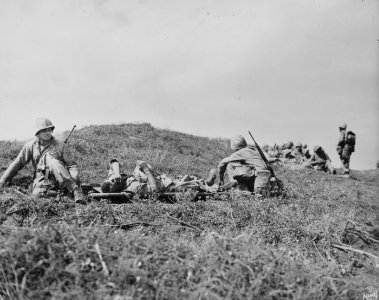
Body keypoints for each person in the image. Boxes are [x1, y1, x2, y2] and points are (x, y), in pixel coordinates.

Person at [0, 117, 86, 203]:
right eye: (44, 130)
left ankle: (75, 190)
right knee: (37, 194)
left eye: (49, 130)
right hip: (43, 178)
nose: (48, 133)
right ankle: (61, 194)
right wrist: (2, 181)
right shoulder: (31, 146)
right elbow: (17, 163)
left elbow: (72, 165)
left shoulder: (60, 145)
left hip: (60, 176)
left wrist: (74, 179)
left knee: (53, 162)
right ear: (38, 133)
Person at [101, 158, 218, 198]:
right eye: (115, 182)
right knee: (186, 186)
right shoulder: (133, 188)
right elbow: (155, 191)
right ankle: (207, 185)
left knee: (185, 178)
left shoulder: (115, 177)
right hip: (166, 186)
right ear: (117, 188)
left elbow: (114, 161)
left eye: (113, 179)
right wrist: (146, 170)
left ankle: (207, 182)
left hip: (163, 178)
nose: (117, 179)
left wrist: (116, 173)